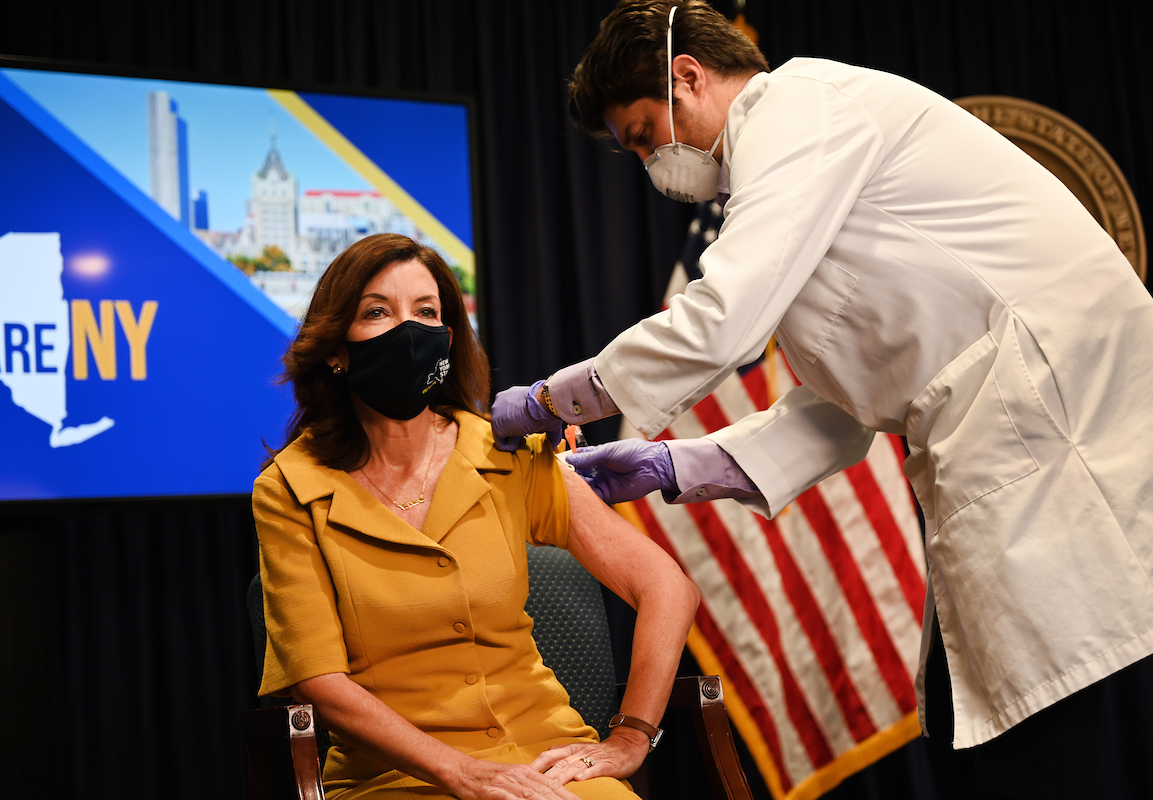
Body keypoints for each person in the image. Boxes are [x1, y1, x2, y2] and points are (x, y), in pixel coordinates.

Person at [490, 1, 1153, 797]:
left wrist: (547, 401)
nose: (648, 164)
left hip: (1055, 417)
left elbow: (721, 321)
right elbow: (845, 410)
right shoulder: (790, 175)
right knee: (965, 713)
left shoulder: (801, 107)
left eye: (641, 135)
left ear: (687, 76)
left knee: (1043, 729)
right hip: (996, 430)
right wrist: (675, 462)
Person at [254, 233, 699, 800]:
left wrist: (633, 736)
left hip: (548, 762)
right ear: (336, 348)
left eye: (426, 312)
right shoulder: (291, 488)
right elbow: (318, 682)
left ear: (447, 339)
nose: (407, 331)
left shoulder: (504, 452)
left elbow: (666, 586)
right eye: (377, 313)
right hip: (398, 777)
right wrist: (463, 772)